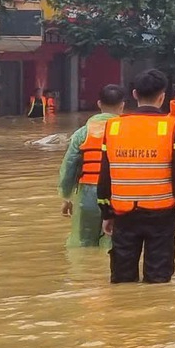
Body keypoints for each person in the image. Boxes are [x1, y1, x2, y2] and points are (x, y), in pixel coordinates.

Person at [98, 70, 175, 284]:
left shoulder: (113, 127)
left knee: (122, 280)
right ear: (162, 97)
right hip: (161, 214)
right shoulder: (173, 127)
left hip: (123, 214)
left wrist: (105, 212)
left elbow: (105, 174)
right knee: (158, 280)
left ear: (134, 94)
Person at [57, 84, 124, 248]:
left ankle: (85, 273)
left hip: (88, 195)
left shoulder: (82, 133)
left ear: (99, 104)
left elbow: (69, 166)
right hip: (119, 194)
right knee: (115, 245)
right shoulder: (128, 132)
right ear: (122, 105)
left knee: (85, 244)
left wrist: (66, 197)